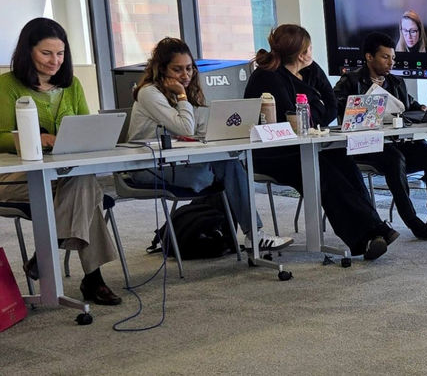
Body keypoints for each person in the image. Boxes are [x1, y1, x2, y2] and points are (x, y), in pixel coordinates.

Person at [243, 24, 400, 261]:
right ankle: (367, 235)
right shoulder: (268, 76)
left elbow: (331, 110)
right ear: (300, 52)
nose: (311, 53)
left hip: (304, 146)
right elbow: (292, 120)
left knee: (341, 159)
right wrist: (316, 107)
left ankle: (373, 231)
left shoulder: (310, 70)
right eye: (308, 48)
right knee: (323, 172)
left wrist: (314, 108)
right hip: (272, 153)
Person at [125, 38, 293, 252]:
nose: (185, 75)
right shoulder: (149, 92)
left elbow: (198, 128)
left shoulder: (184, 89)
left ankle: (255, 235)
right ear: (161, 70)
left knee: (230, 164)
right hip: (148, 166)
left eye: (189, 69)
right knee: (220, 171)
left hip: (179, 160)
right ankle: (254, 234)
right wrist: (182, 96)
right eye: (177, 70)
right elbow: (185, 128)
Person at [0, 18, 121, 305]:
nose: (55, 61)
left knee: (82, 182)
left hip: (62, 176)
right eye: (46, 53)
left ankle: (47, 250)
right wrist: (38, 139)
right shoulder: (7, 86)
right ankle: (93, 280)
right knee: (87, 191)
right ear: (28, 52)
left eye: (61, 54)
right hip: (16, 179)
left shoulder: (72, 85)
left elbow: (85, 126)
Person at [333, 32, 427, 241]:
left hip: (396, 142)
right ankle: (411, 219)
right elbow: (335, 106)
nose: (391, 62)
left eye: (393, 58)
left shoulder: (396, 83)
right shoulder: (351, 81)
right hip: (365, 146)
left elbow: (408, 106)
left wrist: (421, 108)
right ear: (369, 57)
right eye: (385, 57)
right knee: (395, 159)